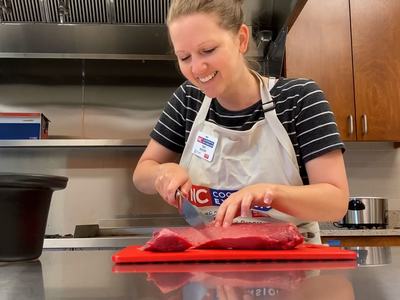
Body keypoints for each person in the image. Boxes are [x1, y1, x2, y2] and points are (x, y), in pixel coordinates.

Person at [133, 0, 349, 243]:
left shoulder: (299, 98)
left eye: (208, 50)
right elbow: (142, 174)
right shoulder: (188, 100)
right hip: (213, 269)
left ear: (241, 39)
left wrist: (269, 194)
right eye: (184, 57)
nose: (197, 68)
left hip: (295, 270)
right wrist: (162, 173)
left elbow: (335, 202)